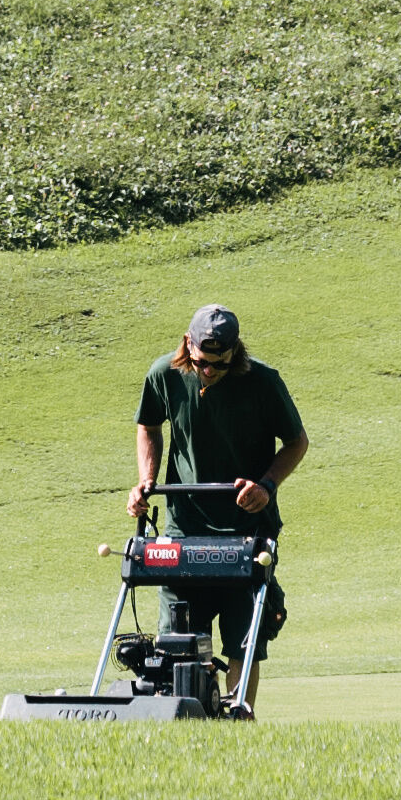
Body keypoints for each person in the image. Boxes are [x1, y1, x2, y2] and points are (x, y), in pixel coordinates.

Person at [127, 298, 307, 715]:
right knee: (179, 639)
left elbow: (296, 442)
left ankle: (237, 718)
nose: (209, 371)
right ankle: (185, 719)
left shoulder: (263, 382)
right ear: (187, 344)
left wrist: (266, 484)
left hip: (247, 529)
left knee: (244, 638)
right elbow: (148, 426)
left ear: (235, 351)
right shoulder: (164, 375)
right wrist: (147, 480)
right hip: (183, 528)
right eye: (202, 362)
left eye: (219, 364)